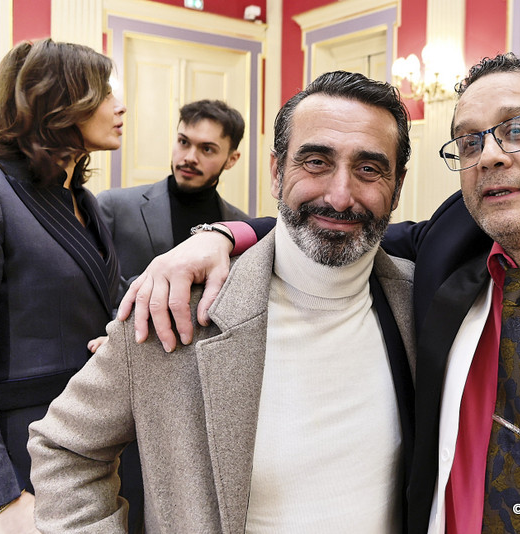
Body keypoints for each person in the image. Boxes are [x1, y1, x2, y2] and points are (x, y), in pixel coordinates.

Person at [119, 54, 520, 534]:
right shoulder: (442, 261)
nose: (489, 154)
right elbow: (336, 216)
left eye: (518, 128)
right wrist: (219, 234)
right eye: (468, 142)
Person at [27, 71, 416, 533]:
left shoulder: (423, 305)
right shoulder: (173, 307)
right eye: (315, 161)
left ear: (397, 183)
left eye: (369, 168)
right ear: (277, 171)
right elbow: (66, 448)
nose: (339, 195)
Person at [0, 39, 141, 534]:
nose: (120, 105)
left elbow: (112, 294)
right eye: (103, 92)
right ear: (59, 102)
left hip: (84, 443)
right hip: (17, 455)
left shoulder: (81, 200)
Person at [97, 99, 249, 306]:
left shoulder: (241, 227)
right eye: (184, 142)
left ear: (232, 159)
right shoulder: (114, 206)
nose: (190, 157)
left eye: (207, 149)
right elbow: (93, 288)